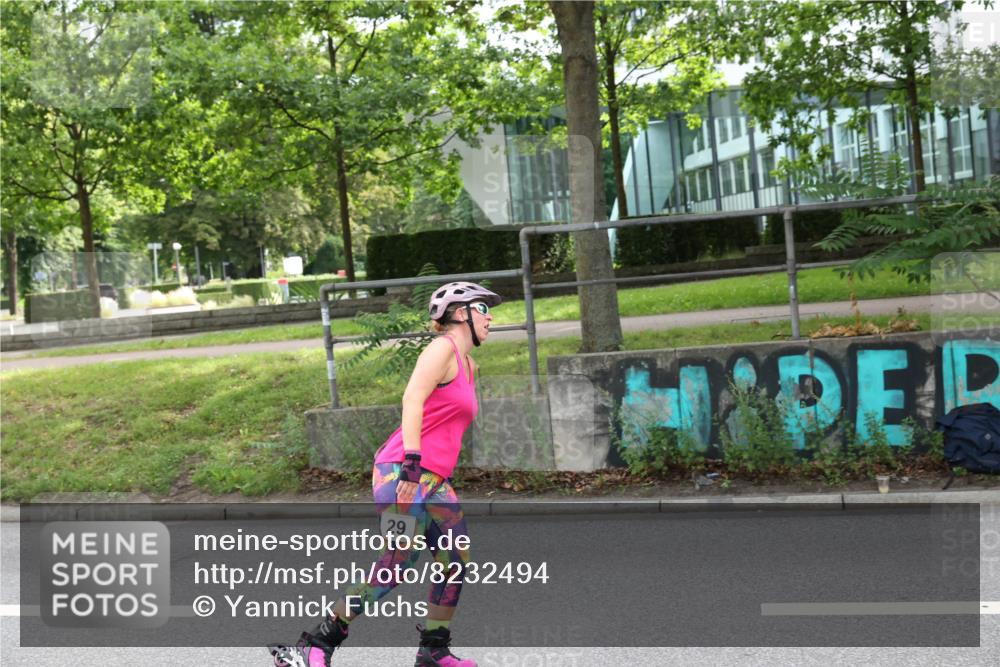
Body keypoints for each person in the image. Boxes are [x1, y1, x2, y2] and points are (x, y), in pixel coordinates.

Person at [270, 281, 501, 667]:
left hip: (433, 480)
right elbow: (412, 398)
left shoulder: (469, 365)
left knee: (455, 560)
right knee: (399, 560)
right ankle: (316, 643)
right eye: (482, 308)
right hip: (401, 472)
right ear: (461, 313)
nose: (490, 316)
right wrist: (411, 465)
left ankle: (433, 649)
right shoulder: (441, 348)